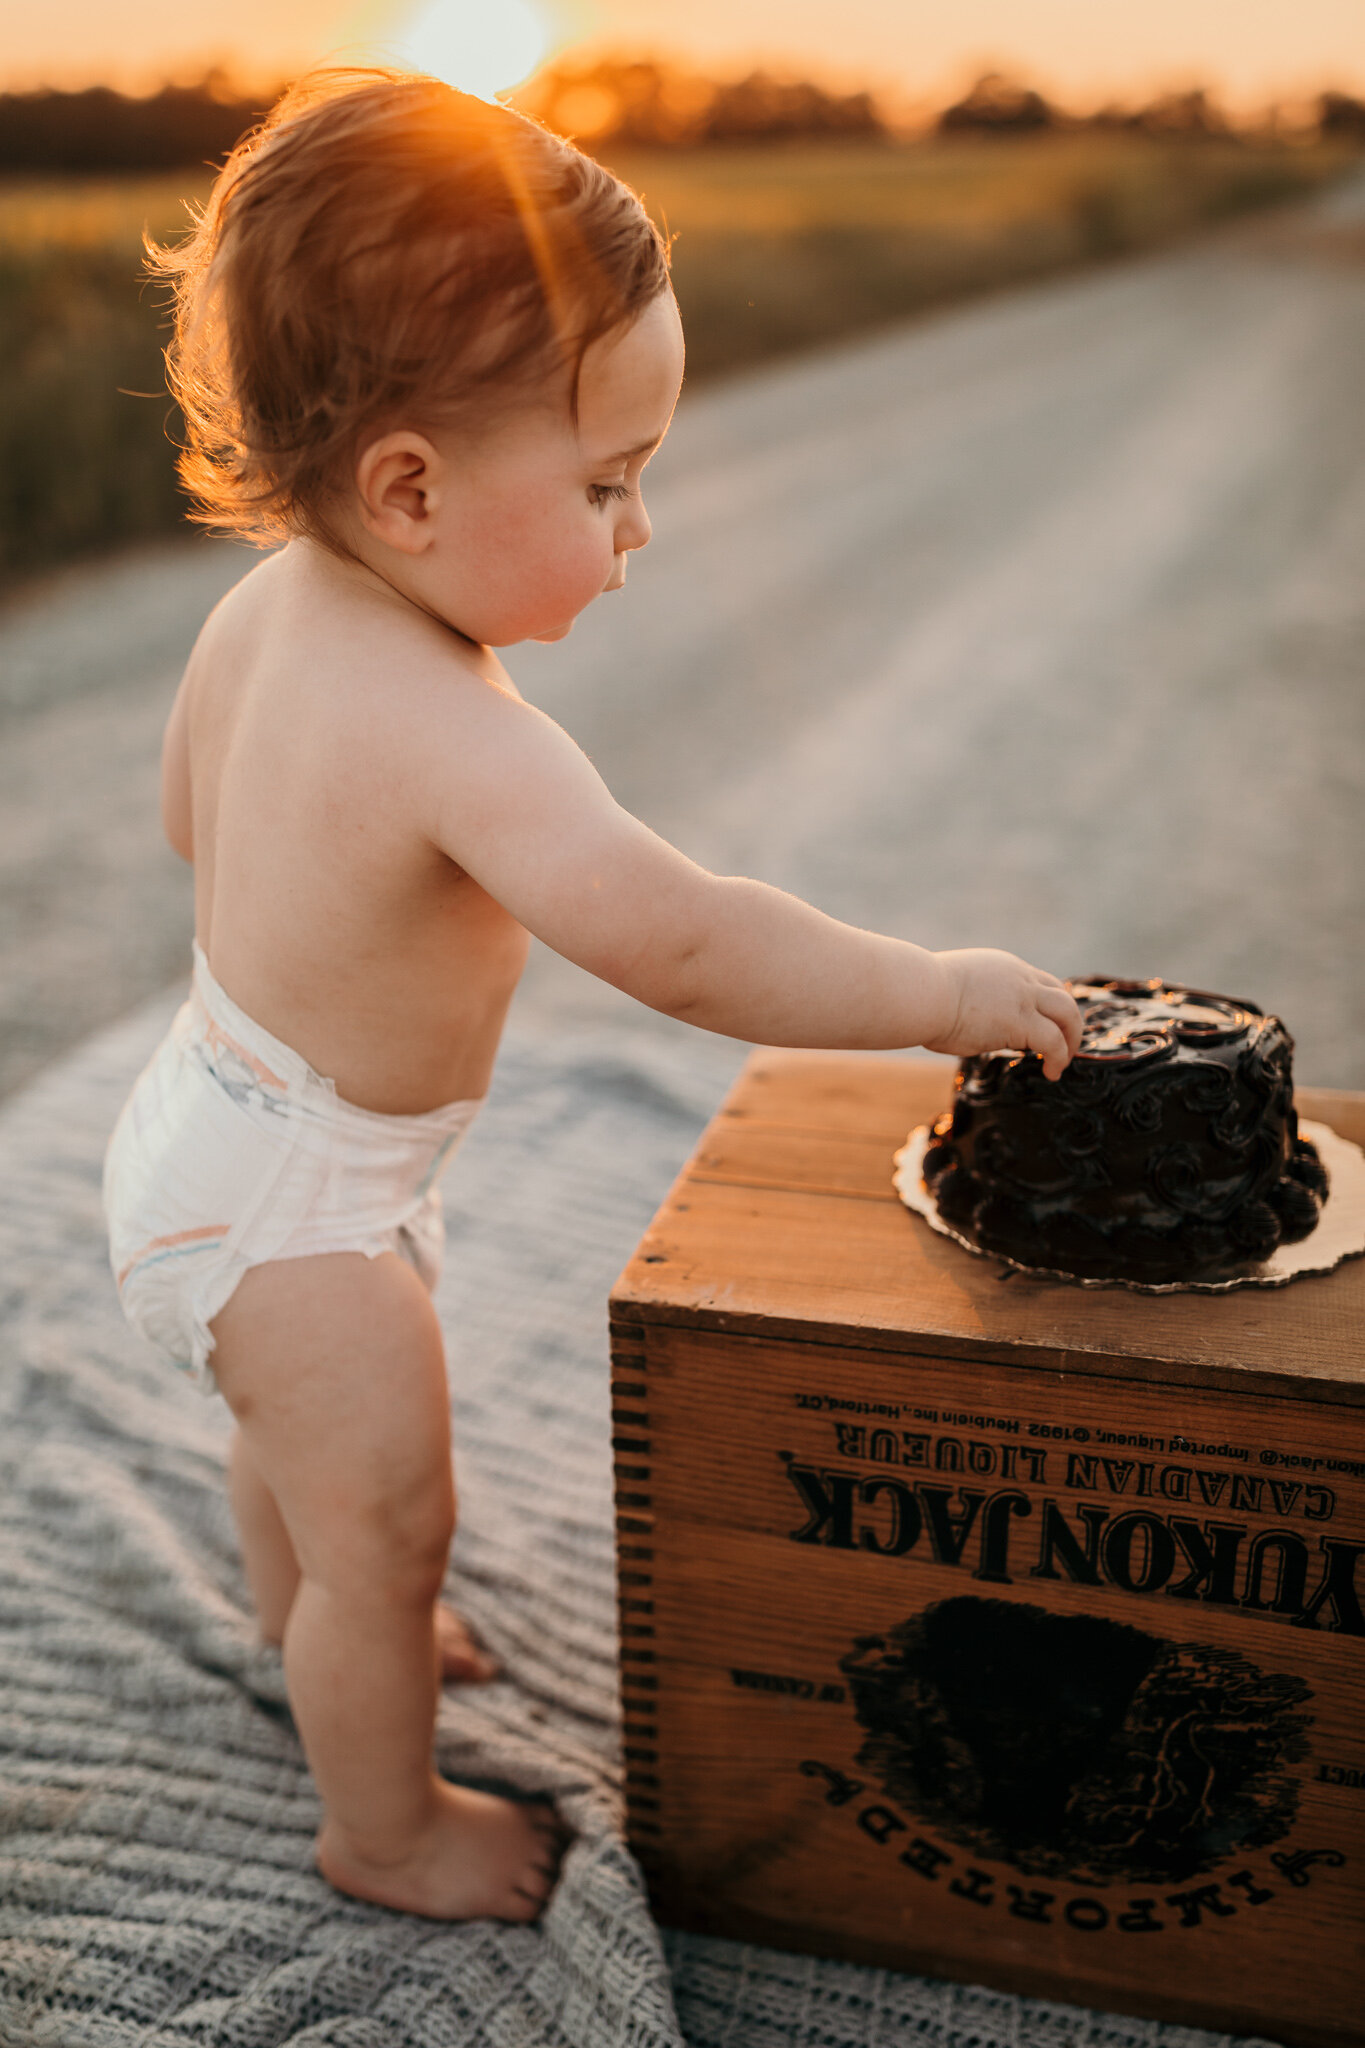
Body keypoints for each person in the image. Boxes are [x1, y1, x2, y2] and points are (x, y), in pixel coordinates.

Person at [103, 69, 1082, 1925]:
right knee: (394, 1521)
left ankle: (294, 1602)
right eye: (609, 482)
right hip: (304, 1204)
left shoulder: (264, 612)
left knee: (295, 1444)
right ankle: (381, 1824)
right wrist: (934, 990)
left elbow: (179, 821)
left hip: (214, 1125)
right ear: (411, 484)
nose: (642, 529)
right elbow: (687, 940)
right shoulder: (462, 735)